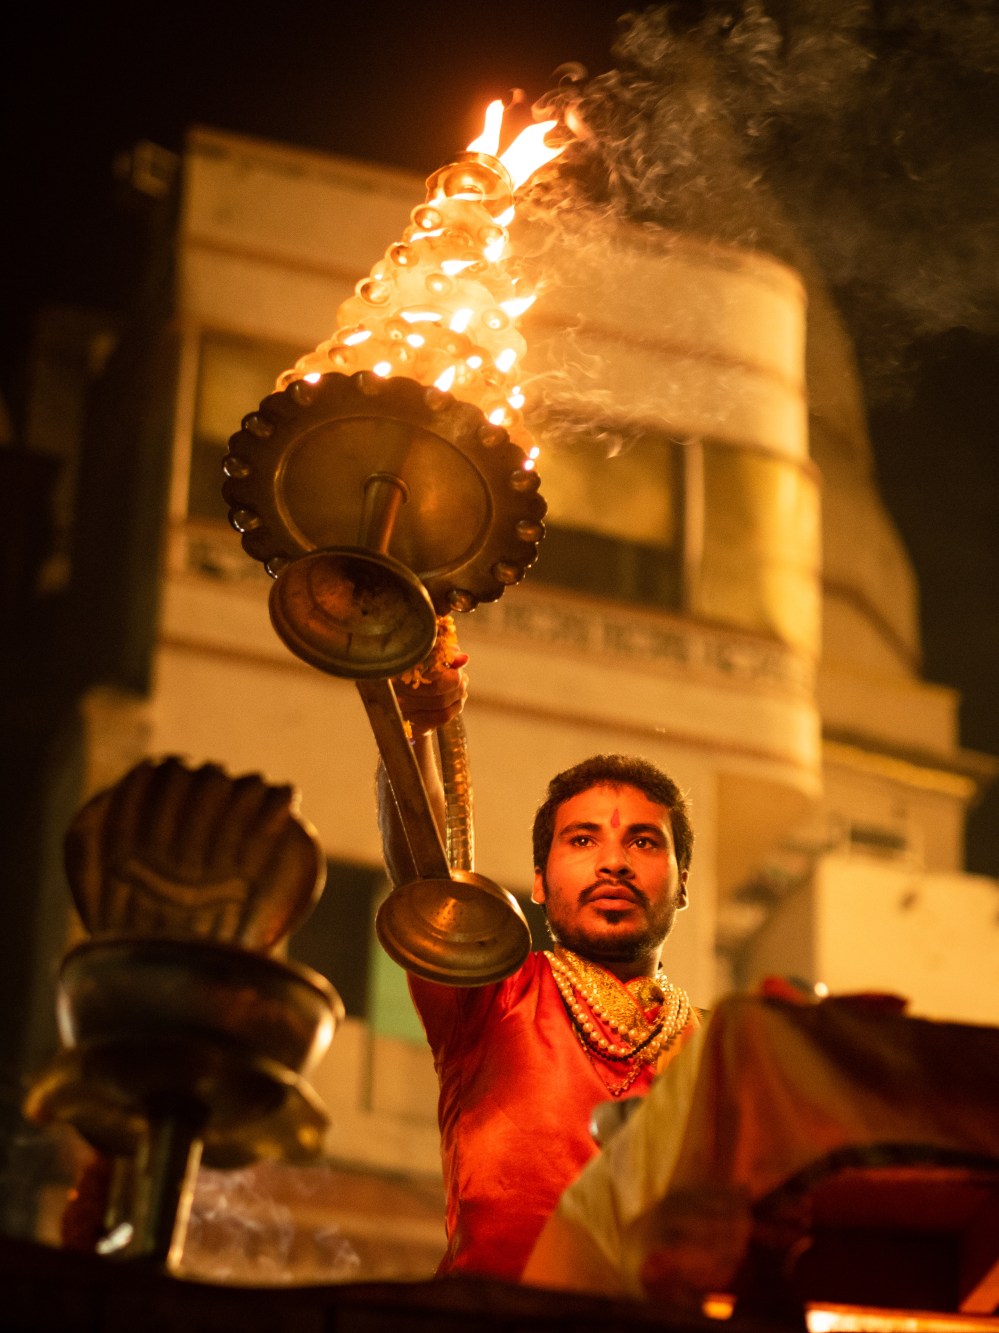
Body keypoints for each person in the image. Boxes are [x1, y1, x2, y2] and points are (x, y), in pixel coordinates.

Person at [376, 644, 700, 1283]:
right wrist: (414, 726)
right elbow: (423, 874)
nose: (614, 862)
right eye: (583, 840)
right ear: (539, 884)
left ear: (682, 883)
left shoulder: (720, 1051)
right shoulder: (491, 993)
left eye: (642, 841)